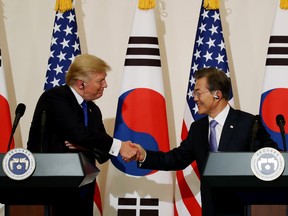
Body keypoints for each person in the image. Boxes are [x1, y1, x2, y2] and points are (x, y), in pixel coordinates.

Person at [130, 67, 279, 216]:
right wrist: (144, 155)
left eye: (198, 93)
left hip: (244, 209)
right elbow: (176, 159)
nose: (194, 98)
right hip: (210, 209)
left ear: (217, 95)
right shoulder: (198, 128)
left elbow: (271, 158)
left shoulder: (249, 123)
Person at [27, 54, 137, 216]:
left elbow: (102, 153)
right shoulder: (56, 98)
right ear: (81, 84)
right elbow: (78, 134)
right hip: (55, 186)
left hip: (84, 188)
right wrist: (118, 146)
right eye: (101, 80)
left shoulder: (93, 109)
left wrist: (86, 145)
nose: (105, 85)